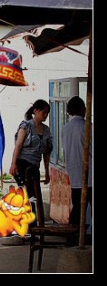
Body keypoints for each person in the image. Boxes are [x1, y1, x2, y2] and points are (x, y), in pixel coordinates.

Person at [9, 99, 53, 230]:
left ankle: (34, 226)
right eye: (43, 112)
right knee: (29, 195)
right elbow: (18, 145)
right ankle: (30, 227)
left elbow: (46, 153)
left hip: (34, 166)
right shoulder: (26, 126)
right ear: (36, 111)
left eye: (47, 113)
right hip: (23, 164)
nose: (45, 115)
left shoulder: (46, 130)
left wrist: (47, 172)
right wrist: (13, 164)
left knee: (35, 195)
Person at [61, 96, 92, 236]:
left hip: (74, 175)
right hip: (90, 175)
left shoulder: (65, 129)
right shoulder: (88, 127)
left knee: (78, 207)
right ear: (82, 109)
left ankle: (72, 236)